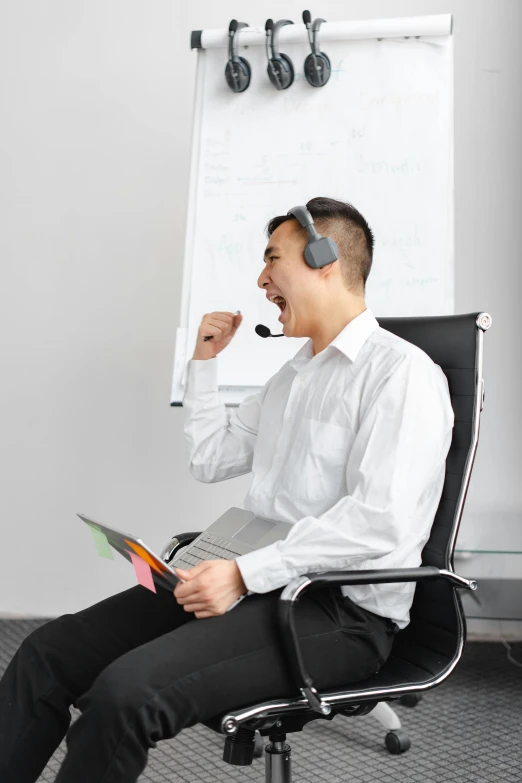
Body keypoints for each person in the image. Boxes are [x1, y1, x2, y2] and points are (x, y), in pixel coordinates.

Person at [0, 196, 454, 782]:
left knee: (123, 696)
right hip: (252, 579)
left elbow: (379, 521)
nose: (261, 279)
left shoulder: (403, 374)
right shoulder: (294, 374)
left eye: (273, 260)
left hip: (336, 612)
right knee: (47, 654)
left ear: (324, 259)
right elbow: (212, 459)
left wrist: (245, 574)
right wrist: (205, 365)